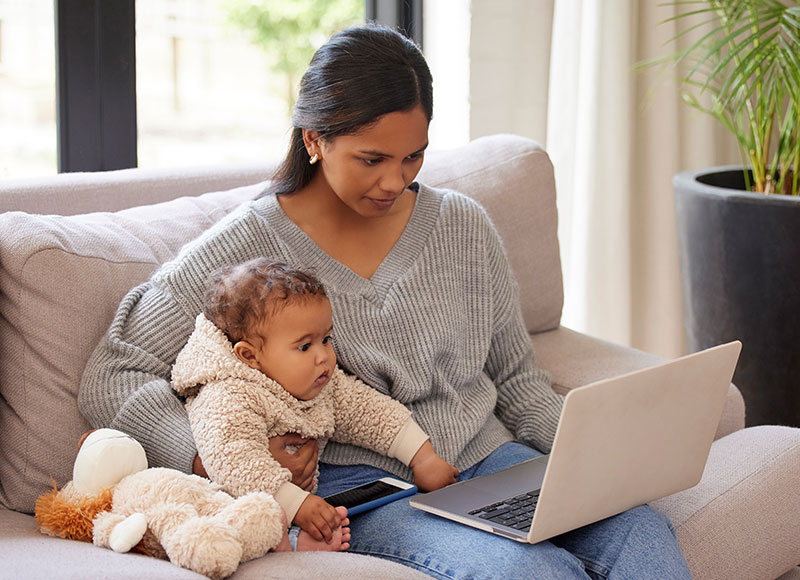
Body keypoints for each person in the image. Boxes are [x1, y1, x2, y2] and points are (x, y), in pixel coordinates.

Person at [79, 22, 692, 579]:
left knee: (641, 532)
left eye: (413, 156)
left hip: (487, 456)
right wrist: (208, 452)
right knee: (531, 574)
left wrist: (598, 459)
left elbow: (516, 379)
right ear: (315, 139)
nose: (396, 181)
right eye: (372, 159)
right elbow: (114, 372)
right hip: (365, 489)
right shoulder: (247, 248)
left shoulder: (463, 226)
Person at [171, 258, 458, 542]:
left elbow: (368, 411)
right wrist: (298, 505)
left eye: (326, 339)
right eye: (305, 346)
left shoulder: (317, 379)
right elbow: (236, 464)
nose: (323, 356)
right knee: (247, 527)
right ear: (250, 356)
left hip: (301, 498)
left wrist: (423, 457)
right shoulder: (229, 397)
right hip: (244, 500)